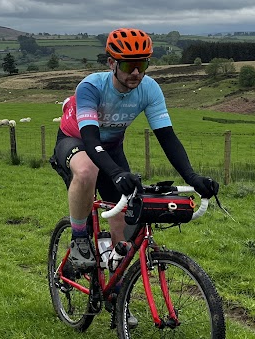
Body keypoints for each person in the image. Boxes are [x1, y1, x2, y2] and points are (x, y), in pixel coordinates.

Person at [51, 27, 219, 277]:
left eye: (142, 65)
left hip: (111, 147)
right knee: (87, 171)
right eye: (129, 66)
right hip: (76, 139)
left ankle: (116, 287)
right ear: (112, 64)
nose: (136, 73)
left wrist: (192, 177)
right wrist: (115, 173)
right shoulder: (91, 87)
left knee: (123, 222)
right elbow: (91, 138)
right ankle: (79, 239)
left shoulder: (149, 89)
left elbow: (167, 137)